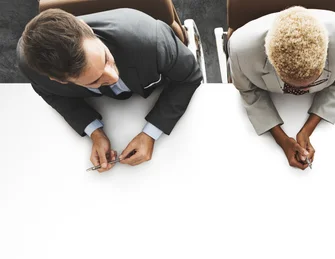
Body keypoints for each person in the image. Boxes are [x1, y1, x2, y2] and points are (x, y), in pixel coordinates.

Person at [17, 8, 202, 172]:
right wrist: (95, 133)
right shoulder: (35, 71)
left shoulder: (150, 39)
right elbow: (51, 94)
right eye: (95, 80)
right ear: (59, 80)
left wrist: (151, 133)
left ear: (86, 28)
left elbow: (190, 76)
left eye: (105, 58)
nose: (113, 77)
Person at [228, 7, 335, 170]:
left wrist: (307, 130)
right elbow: (248, 91)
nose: (305, 91)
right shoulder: (240, 51)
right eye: (293, 85)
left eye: (311, 82)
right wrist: (283, 140)